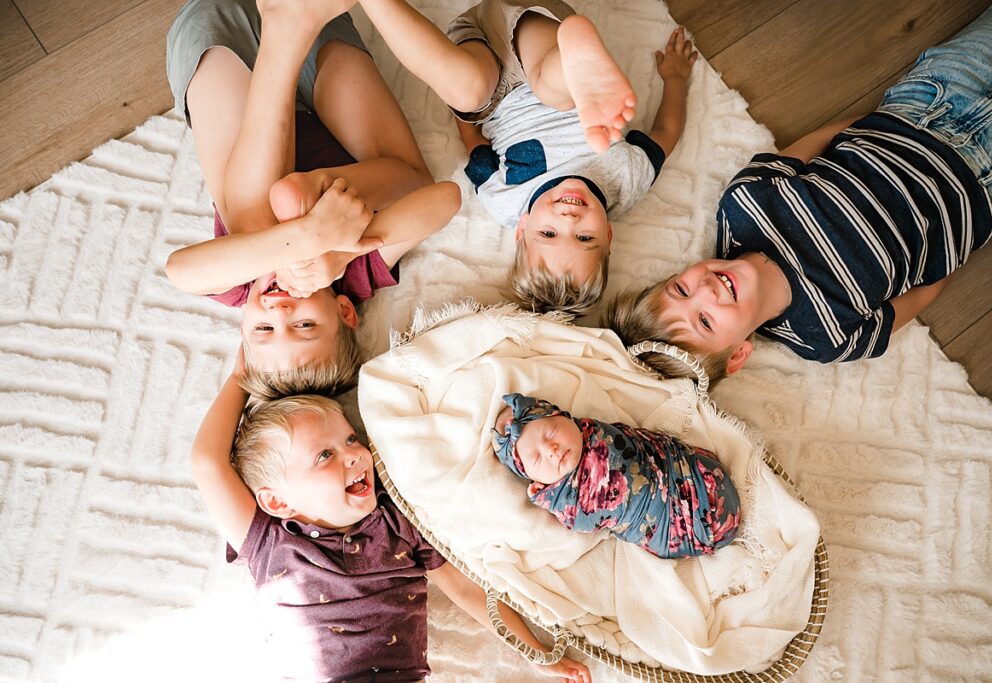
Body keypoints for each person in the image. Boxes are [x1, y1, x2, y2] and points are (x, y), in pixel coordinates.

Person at [606, 0, 992, 381]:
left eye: (680, 289)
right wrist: (958, 240)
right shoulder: (826, 337)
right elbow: (918, 295)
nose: (706, 291)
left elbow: (812, 146)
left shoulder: (745, 206)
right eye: (706, 322)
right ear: (737, 356)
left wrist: (880, 119)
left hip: (929, 102)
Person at [190, 354, 593, 681]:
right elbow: (208, 461)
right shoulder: (269, 541)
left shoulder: (397, 520)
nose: (354, 454)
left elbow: (468, 591)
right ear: (277, 501)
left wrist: (534, 651)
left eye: (350, 438)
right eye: (324, 456)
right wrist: (241, 376)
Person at [164, 0, 460, 398]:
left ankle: (281, 44)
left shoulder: (237, 285)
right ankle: (287, 34)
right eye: (304, 326)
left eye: (263, 330)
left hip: (223, 49)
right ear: (344, 312)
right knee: (413, 180)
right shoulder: (354, 274)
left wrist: (309, 236)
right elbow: (445, 199)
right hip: (318, 45)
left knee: (254, 225)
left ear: (243, 327)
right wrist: (338, 250)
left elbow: (181, 272)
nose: (280, 313)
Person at [355, 0, 698, 315]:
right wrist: (675, 78)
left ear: (522, 228)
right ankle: (578, 60)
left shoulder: (504, 200)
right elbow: (666, 132)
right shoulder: (625, 180)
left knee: (468, 90)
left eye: (548, 233)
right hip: (540, 38)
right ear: (607, 236)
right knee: (556, 92)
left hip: (488, 74)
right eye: (584, 238)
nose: (569, 218)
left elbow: (472, 139)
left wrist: (461, 103)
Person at [491, 393, 740, 559]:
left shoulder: (594, 431)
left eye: (551, 432)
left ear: (563, 416)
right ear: (535, 481)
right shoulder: (564, 501)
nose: (551, 450)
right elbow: (589, 522)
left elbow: (635, 445)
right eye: (536, 458)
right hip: (672, 525)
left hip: (683, 473)